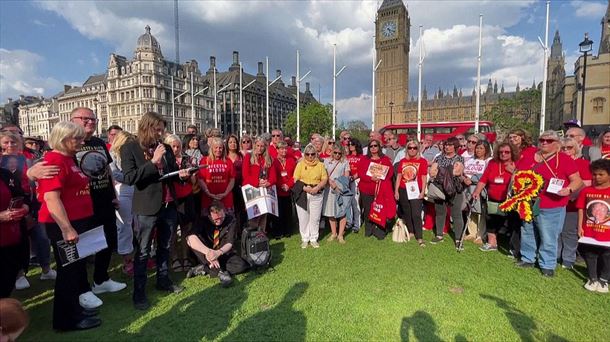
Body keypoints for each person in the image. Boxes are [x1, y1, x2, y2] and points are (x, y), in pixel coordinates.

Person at [37, 121, 101, 330]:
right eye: (77, 138)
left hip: (76, 222)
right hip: (64, 225)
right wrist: (66, 228)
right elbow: (51, 198)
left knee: (75, 270)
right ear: (63, 139)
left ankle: (75, 310)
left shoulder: (68, 158)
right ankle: (66, 320)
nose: (82, 142)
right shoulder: (55, 161)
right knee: (68, 272)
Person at [121, 112, 188, 310]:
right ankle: (139, 293)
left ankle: (163, 280)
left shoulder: (165, 147)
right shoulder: (130, 148)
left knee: (165, 246)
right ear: (146, 127)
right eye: (157, 129)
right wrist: (153, 162)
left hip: (168, 205)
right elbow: (130, 178)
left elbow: (168, 175)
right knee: (143, 251)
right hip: (146, 207)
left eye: (162, 129)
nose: (160, 133)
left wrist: (181, 175)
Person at [70, 108, 127, 302]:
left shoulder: (99, 143)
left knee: (109, 240)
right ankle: (82, 288)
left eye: (93, 119)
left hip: (105, 200)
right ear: (73, 120)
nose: (90, 122)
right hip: (82, 203)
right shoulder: (68, 143)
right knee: (85, 246)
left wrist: (113, 194)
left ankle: (101, 279)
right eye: (85, 119)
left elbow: (108, 171)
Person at [517, 130, 583, 277]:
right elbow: (518, 174)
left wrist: (568, 189)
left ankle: (547, 264)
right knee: (527, 231)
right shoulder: (529, 156)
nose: (544, 143)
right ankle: (528, 258)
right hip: (528, 202)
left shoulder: (564, 159)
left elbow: (577, 180)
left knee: (548, 236)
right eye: (542, 140)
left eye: (549, 141)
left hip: (552, 204)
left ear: (557, 143)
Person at [185, 202, 249, 286]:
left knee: (242, 265)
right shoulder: (202, 220)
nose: (219, 221)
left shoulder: (231, 220)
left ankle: (205, 269)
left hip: (223, 252)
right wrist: (209, 252)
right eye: (215, 219)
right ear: (209, 216)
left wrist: (218, 253)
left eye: (221, 218)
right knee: (196, 241)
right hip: (206, 256)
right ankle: (222, 273)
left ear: (224, 212)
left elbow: (229, 243)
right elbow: (189, 238)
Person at [472, 142, 517, 251]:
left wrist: (514, 171)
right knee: (491, 220)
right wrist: (477, 191)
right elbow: (484, 179)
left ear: (512, 153)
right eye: (501, 152)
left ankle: (511, 246)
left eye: (507, 152)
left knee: (508, 222)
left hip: (509, 199)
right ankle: (492, 243)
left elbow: (522, 178)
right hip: (492, 197)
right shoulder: (493, 162)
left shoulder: (516, 163)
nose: (503, 154)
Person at [557, 138, 592, 269]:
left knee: (569, 232)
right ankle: (556, 256)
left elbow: (587, 184)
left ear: (576, 149)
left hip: (573, 204)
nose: (565, 150)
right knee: (556, 232)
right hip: (556, 203)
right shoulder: (556, 162)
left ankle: (568, 259)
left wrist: (571, 195)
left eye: (569, 147)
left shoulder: (583, 164)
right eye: (563, 148)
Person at [576, 159, 610, 293]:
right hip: (589, 230)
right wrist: (580, 226)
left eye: (601, 174)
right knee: (590, 254)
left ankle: (604, 280)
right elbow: (581, 209)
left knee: (607, 255)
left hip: (607, 232)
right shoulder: (586, 191)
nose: (597, 177)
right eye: (595, 174)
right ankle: (592, 278)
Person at [165, 134, 197, 273]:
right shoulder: (164, 161)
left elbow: (194, 181)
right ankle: (174, 258)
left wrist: (190, 176)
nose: (176, 149)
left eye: (178, 146)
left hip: (186, 198)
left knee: (186, 229)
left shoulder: (187, 159)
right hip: (171, 199)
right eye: (173, 146)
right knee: (171, 231)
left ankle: (185, 256)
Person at [429, 136, 467, 250]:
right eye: (446, 144)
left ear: (455, 146)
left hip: (455, 190)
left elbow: (457, 172)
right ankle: (439, 235)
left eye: (450, 145)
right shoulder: (438, 158)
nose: (447, 147)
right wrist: (448, 170)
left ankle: (458, 239)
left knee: (456, 214)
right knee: (440, 212)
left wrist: (440, 171)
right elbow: (432, 173)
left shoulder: (459, 158)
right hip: (440, 189)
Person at [109, 131, 136, 275]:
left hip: (135, 188)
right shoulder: (112, 154)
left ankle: (140, 256)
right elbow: (113, 173)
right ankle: (127, 260)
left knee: (138, 224)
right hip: (122, 189)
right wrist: (132, 177)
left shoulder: (134, 153)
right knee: (125, 226)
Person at [0, 167, 28, 298]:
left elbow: (22, 196)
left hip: (12, 239)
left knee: (7, 282)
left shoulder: (5, 174)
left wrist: (24, 208)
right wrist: (1, 216)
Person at [358, 139, 394, 240]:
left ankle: (378, 228)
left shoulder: (385, 159)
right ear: (369, 148)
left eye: (375, 146)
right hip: (367, 189)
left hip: (381, 191)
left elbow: (390, 173)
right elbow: (361, 173)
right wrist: (371, 178)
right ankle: (368, 230)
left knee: (379, 209)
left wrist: (381, 177)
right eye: (371, 146)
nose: (373, 148)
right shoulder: (364, 159)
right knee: (368, 210)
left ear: (379, 147)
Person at [293, 144, 328, 248]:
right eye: (308, 154)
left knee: (315, 217)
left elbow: (324, 179)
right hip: (303, 192)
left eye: (312, 154)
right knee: (303, 217)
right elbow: (296, 179)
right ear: (305, 154)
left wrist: (317, 188)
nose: (310, 156)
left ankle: (313, 238)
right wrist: (305, 188)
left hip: (316, 192)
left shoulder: (320, 165)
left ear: (316, 154)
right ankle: (305, 238)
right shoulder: (300, 164)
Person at [394, 139, 428, 246]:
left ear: (418, 149)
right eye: (410, 148)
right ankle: (411, 231)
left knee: (416, 213)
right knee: (407, 212)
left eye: (414, 148)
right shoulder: (403, 161)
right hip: (403, 189)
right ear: (407, 149)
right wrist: (396, 190)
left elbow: (423, 177)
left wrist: (423, 191)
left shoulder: (422, 161)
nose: (412, 150)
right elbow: (399, 176)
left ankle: (419, 236)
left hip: (415, 190)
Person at [242, 136, 276, 230]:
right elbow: (245, 175)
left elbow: (273, 176)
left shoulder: (269, 158)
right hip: (252, 189)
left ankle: (261, 236)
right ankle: (252, 238)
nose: (260, 148)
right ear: (254, 145)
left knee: (263, 214)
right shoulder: (248, 157)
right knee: (254, 215)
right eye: (258, 146)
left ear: (265, 147)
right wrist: (257, 182)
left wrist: (268, 183)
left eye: (262, 146)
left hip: (265, 190)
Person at [463, 140, 492, 243]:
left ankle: (481, 234)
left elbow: (487, 175)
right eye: (477, 148)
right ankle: (472, 232)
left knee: (481, 212)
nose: (478, 150)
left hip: (480, 188)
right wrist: (464, 178)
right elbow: (464, 172)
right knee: (470, 210)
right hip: (468, 188)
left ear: (486, 150)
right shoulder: (470, 160)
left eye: (481, 148)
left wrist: (473, 179)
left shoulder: (488, 161)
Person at [199, 137, 235, 216]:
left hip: (226, 199)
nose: (218, 150)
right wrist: (208, 193)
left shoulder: (228, 161)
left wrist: (225, 193)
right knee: (209, 225)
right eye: (216, 148)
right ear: (211, 148)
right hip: (208, 199)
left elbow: (232, 179)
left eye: (220, 148)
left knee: (228, 225)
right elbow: (200, 179)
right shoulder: (204, 160)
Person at [322, 142, 351, 243]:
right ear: (332, 152)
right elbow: (325, 174)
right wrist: (331, 183)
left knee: (342, 211)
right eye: (336, 153)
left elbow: (346, 175)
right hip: (329, 190)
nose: (337, 155)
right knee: (331, 212)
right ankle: (334, 233)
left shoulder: (345, 162)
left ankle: (340, 235)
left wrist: (339, 184)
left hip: (341, 189)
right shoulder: (326, 161)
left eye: (339, 153)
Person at [273, 141, 296, 239]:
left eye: (285, 148)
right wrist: (281, 185)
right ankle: (278, 231)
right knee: (278, 212)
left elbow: (295, 175)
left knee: (287, 211)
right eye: (281, 148)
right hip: (278, 189)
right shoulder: (273, 161)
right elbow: (273, 175)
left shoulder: (291, 160)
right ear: (277, 150)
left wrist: (288, 185)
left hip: (288, 189)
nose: (284, 150)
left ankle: (288, 231)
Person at [346, 138, 363, 233]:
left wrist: (353, 177)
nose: (350, 146)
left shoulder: (361, 157)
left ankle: (357, 223)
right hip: (347, 181)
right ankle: (349, 222)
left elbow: (361, 170)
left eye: (352, 144)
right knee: (348, 203)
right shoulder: (347, 157)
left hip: (356, 181)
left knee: (355, 202)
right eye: (349, 144)